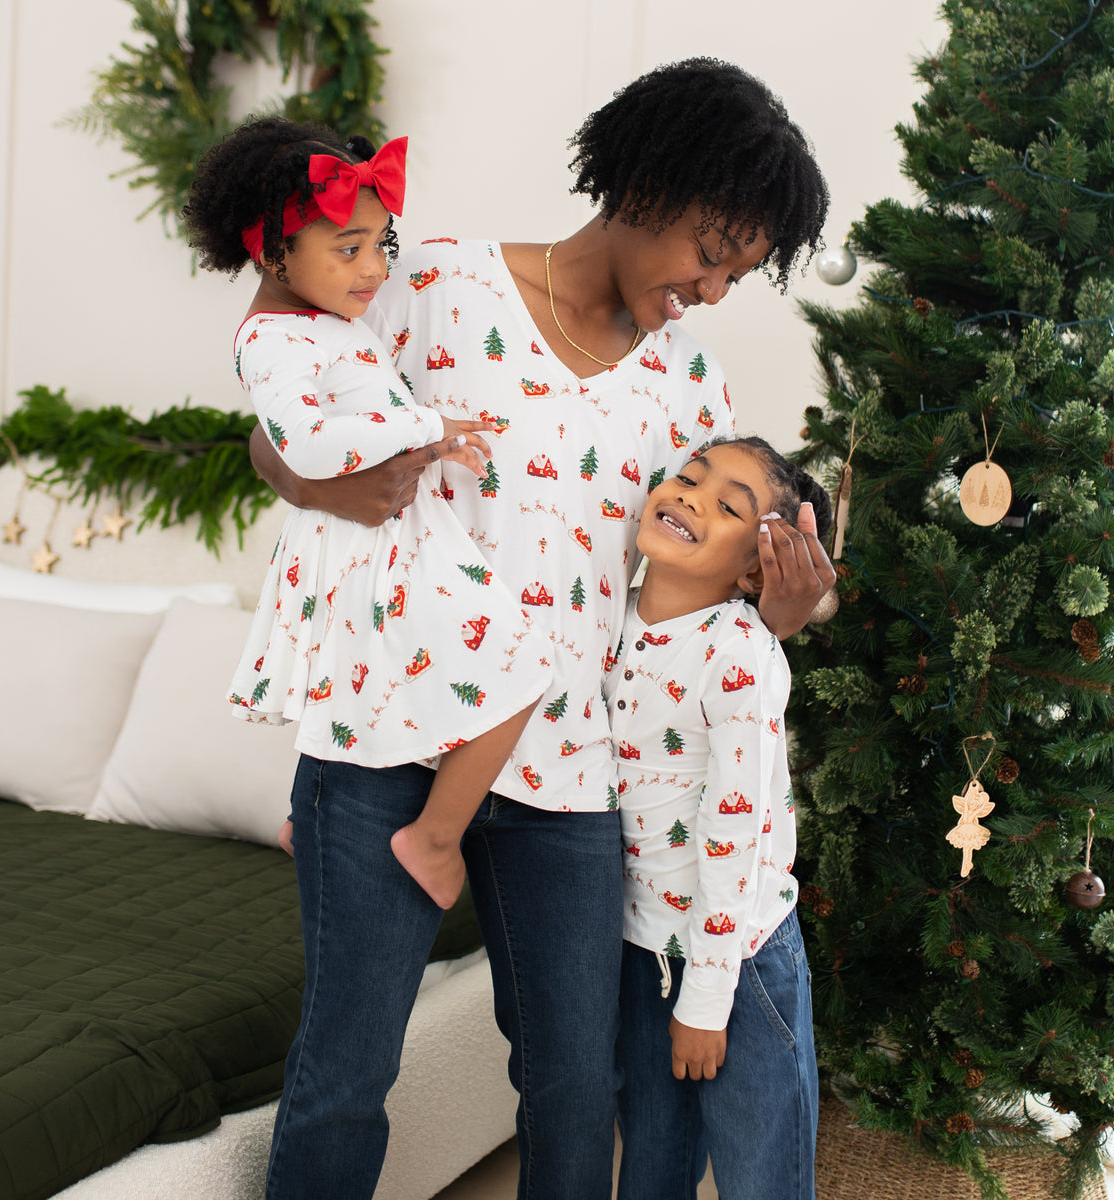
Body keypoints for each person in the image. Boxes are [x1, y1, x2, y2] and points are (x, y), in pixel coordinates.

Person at [247, 58, 834, 1200]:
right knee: (345, 1072)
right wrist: (318, 486)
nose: (712, 290)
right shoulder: (432, 285)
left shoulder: (690, 388)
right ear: (647, 184)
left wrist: (786, 610)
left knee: (574, 1084)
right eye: (710, 255)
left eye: (738, 274)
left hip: (570, 771)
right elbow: (282, 417)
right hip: (386, 742)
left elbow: (699, 595)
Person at [182, 117, 552, 912]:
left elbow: (358, 417)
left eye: (382, 245)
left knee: (373, 693)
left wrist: (430, 443)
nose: (375, 268)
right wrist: (431, 425)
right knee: (521, 665)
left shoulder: (322, 323)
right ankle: (434, 838)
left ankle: (303, 821)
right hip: (365, 543)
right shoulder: (273, 341)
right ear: (271, 253)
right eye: (348, 248)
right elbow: (311, 444)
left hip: (387, 536)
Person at [610, 436, 828, 1200]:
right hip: (644, 948)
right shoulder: (609, 610)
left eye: (729, 504)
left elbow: (738, 836)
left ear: (752, 568)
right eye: (690, 478)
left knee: (760, 1173)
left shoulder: (740, 654)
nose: (693, 497)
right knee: (649, 1165)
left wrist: (707, 999)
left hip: (741, 957)